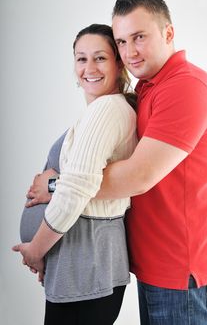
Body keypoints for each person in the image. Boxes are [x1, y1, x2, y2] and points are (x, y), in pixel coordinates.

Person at [94, 0, 207, 324]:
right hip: (161, 268)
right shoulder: (151, 86)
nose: (129, 52)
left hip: (182, 275)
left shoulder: (185, 87)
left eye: (139, 37)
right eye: (121, 41)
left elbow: (138, 177)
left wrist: (56, 186)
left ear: (168, 33)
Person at [13, 23, 137, 325]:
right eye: (81, 58)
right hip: (79, 262)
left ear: (119, 63)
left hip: (87, 263)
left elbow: (78, 187)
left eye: (100, 58)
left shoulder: (107, 109)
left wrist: (35, 250)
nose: (89, 67)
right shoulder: (103, 110)